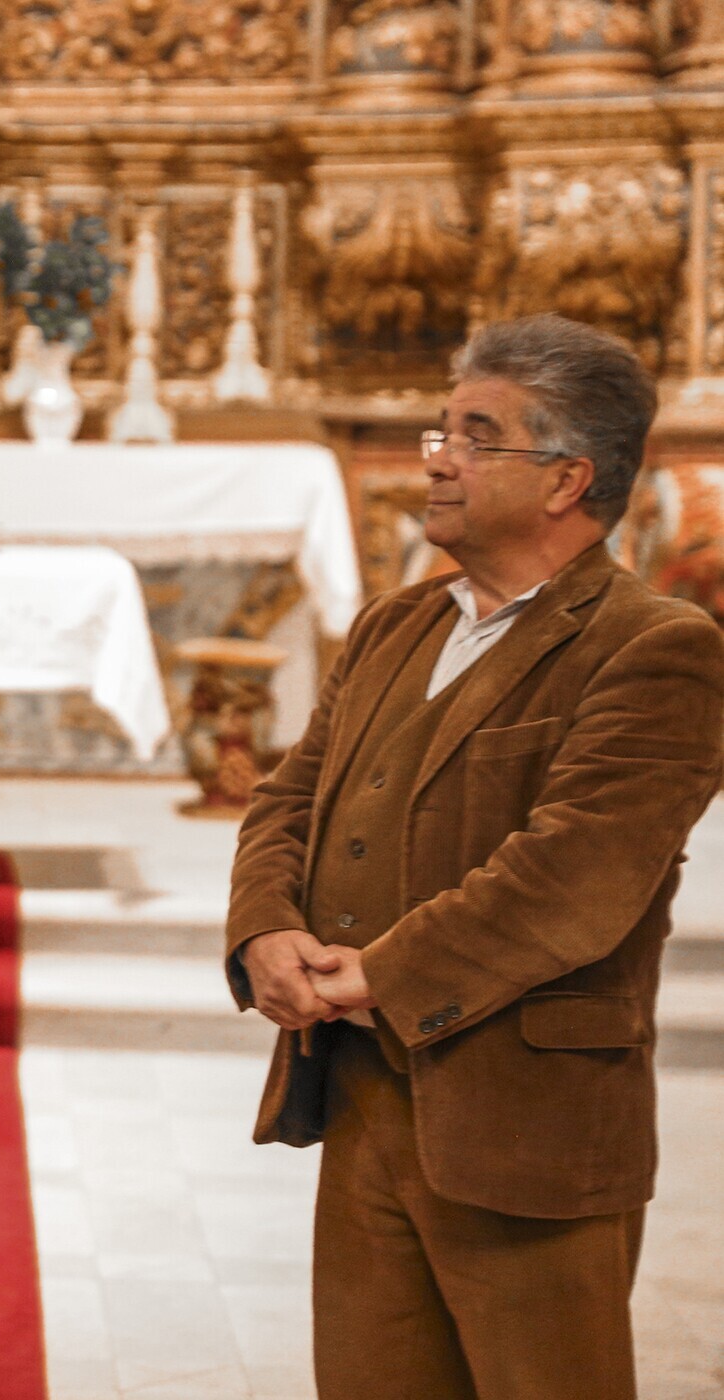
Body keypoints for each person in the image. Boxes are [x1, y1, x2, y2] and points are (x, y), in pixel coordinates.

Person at [225, 314, 724, 1399]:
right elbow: (289, 797)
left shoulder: (654, 647)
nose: (439, 459)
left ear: (566, 479)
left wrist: (376, 973)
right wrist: (263, 928)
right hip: (362, 1092)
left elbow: (574, 877)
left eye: (475, 435)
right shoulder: (394, 624)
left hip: (525, 1118)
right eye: (440, 432)